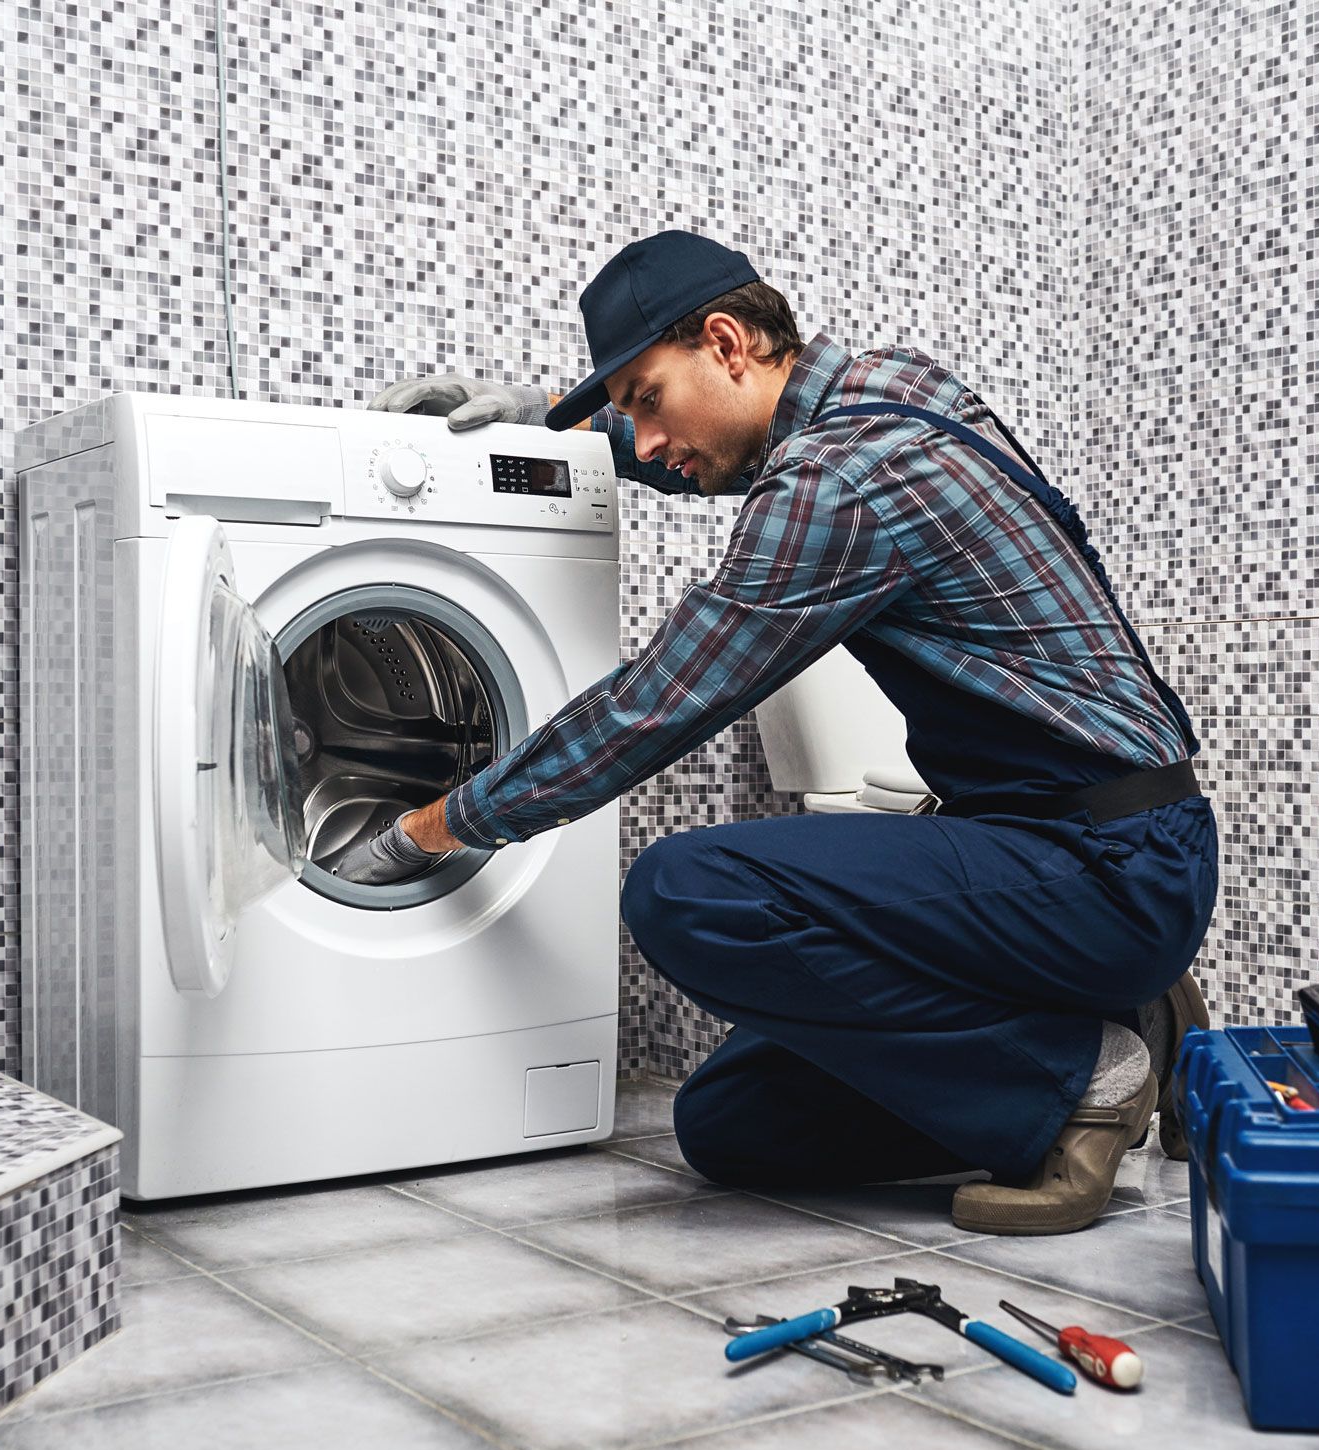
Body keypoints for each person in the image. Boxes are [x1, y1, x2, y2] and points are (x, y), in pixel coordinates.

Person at [352, 230, 1217, 1235]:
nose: (646, 441)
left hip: (1105, 864)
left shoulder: (837, 484)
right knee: (731, 1127)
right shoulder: (892, 386)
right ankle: (1109, 1025)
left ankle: (1084, 1074)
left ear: (727, 343)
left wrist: (435, 826)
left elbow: (654, 706)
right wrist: (556, 419)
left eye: (643, 400)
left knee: (688, 891)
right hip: (1075, 852)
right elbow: (712, 454)